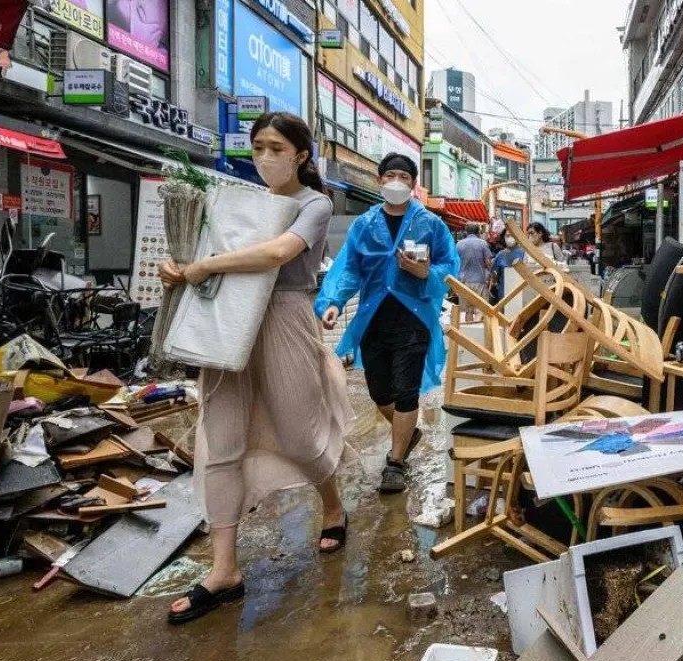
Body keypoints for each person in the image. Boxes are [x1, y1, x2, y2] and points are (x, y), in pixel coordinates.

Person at [158, 112, 353, 624]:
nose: (265, 157)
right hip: (224, 319)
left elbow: (277, 253)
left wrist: (208, 266)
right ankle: (224, 571)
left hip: (284, 320)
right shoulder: (236, 202)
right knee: (221, 439)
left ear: (301, 155)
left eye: (276, 148)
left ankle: (332, 503)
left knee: (299, 434)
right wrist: (179, 268)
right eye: (258, 147)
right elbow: (202, 252)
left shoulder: (315, 203)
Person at [316, 153, 459, 494]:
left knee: (406, 390)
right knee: (380, 392)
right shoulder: (364, 225)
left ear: (413, 184)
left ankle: (395, 462)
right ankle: (408, 433)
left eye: (404, 177)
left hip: (414, 318)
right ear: (380, 181)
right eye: (390, 175)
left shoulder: (431, 224)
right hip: (374, 319)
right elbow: (349, 268)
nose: (397, 181)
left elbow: (449, 266)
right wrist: (332, 301)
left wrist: (426, 272)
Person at [456, 223, 492, 321]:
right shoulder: (483, 243)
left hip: (463, 282)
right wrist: (491, 274)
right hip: (479, 282)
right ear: (478, 232)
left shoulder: (459, 244)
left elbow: (455, 263)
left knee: (467, 311)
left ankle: (467, 333)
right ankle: (477, 333)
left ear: (466, 232)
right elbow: (488, 263)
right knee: (481, 310)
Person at [489, 232, 526, 304]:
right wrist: (491, 286)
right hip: (503, 295)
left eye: (512, 235)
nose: (510, 238)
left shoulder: (524, 253)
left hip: (521, 294)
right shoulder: (500, 255)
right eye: (508, 236)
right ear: (504, 238)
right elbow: (493, 274)